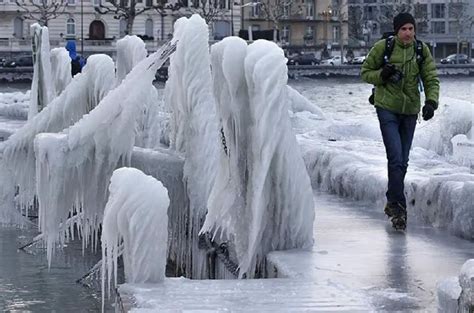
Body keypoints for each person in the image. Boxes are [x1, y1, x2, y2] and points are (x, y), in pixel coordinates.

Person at [361, 12, 440, 230]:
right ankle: (398, 208)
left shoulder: (420, 51)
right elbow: (365, 72)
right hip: (386, 108)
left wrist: (431, 102)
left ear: (415, 30)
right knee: (395, 157)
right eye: (403, 29)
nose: (407, 33)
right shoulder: (383, 48)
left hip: (410, 112)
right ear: (397, 31)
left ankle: (391, 201)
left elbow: (431, 78)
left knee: (403, 161)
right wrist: (382, 75)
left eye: (411, 29)